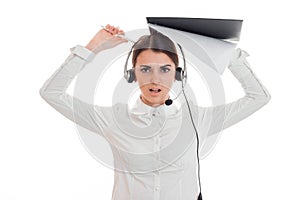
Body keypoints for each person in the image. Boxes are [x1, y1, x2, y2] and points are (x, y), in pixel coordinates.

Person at [39, 24, 271, 200]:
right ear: (132, 74)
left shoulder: (198, 119)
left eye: (165, 69)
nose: (155, 79)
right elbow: (52, 93)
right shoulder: (112, 119)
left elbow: (259, 97)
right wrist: (91, 49)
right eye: (146, 69)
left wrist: (226, 54)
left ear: (178, 74)